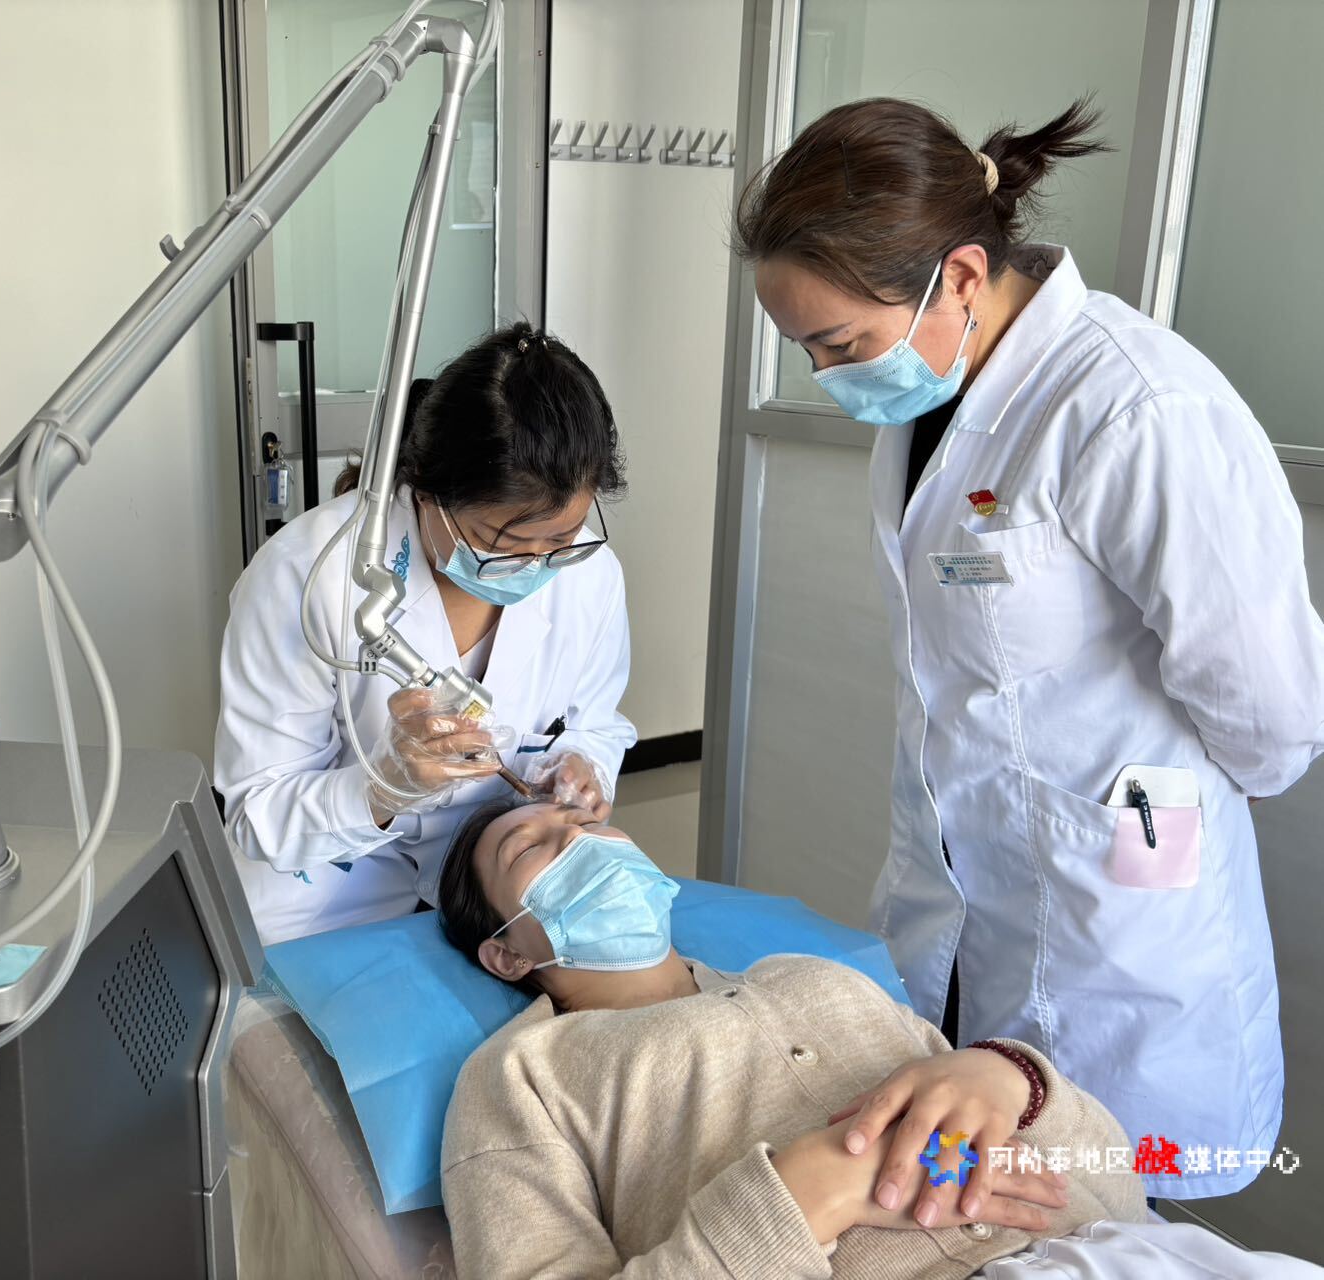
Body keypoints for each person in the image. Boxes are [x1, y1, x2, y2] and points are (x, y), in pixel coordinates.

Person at [734, 96, 1324, 1202]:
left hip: (1122, 921)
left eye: (842, 344)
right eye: (805, 348)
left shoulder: (1137, 408)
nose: (827, 374)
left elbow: (1275, 716)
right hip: (961, 906)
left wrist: (1146, 801)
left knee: (1108, 1207)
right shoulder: (931, 404)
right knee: (973, 1204)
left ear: (960, 276)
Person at [435, 799, 1148, 1278]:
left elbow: (1123, 1188)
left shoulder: (806, 975)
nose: (580, 840)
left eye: (588, 821)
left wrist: (1016, 1081)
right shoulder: (522, 1074)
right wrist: (803, 1200)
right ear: (505, 955)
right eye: (529, 847)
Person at [215, 323, 637, 945]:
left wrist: (582, 767)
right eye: (502, 544)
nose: (536, 565)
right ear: (429, 493)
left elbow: (595, 723)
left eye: (561, 539)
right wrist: (382, 788)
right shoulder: (308, 576)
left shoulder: (590, 575)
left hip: (495, 899)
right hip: (327, 895)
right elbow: (258, 811)